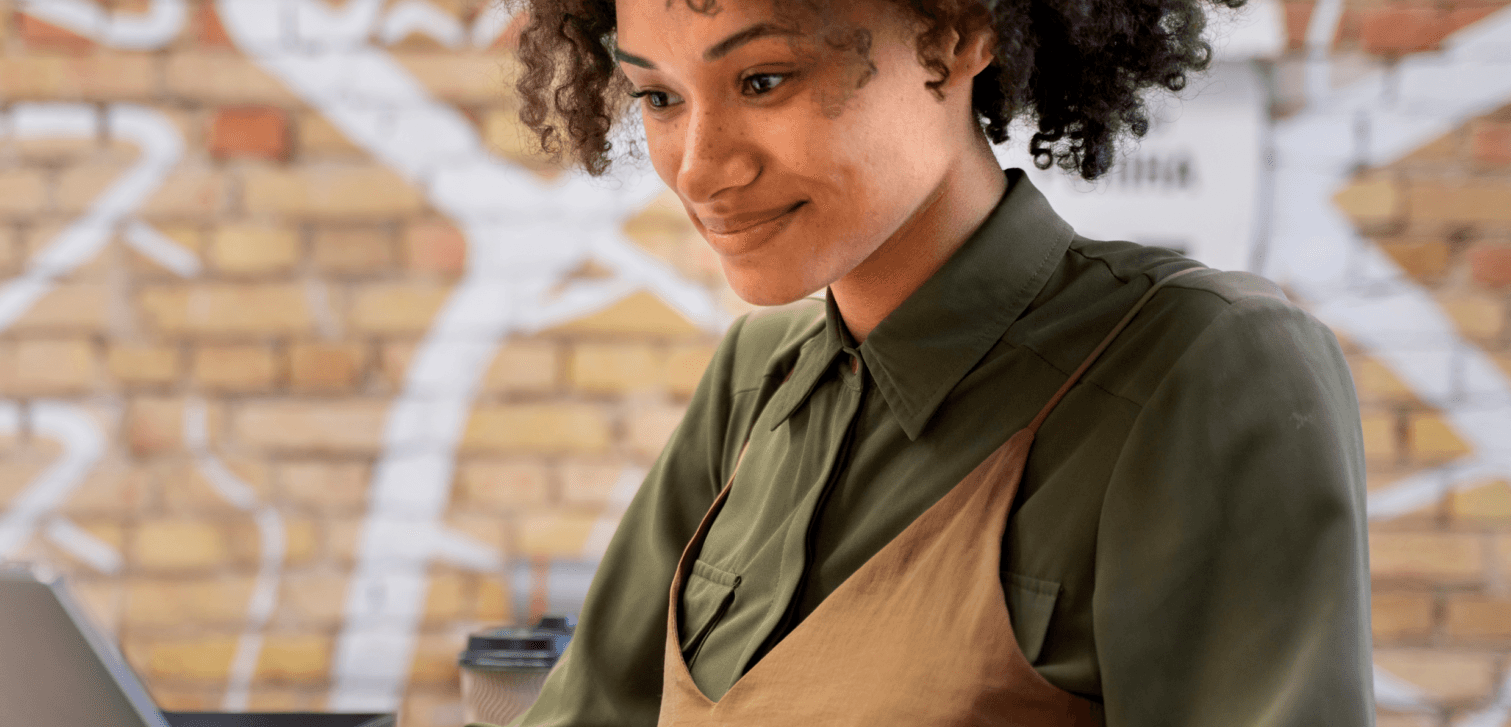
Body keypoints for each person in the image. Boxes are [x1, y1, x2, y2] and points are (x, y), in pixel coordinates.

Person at [469, 0, 1376, 724]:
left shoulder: (1202, 370)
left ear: (952, 37)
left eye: (764, 78)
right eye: (660, 97)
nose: (700, 168)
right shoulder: (757, 382)